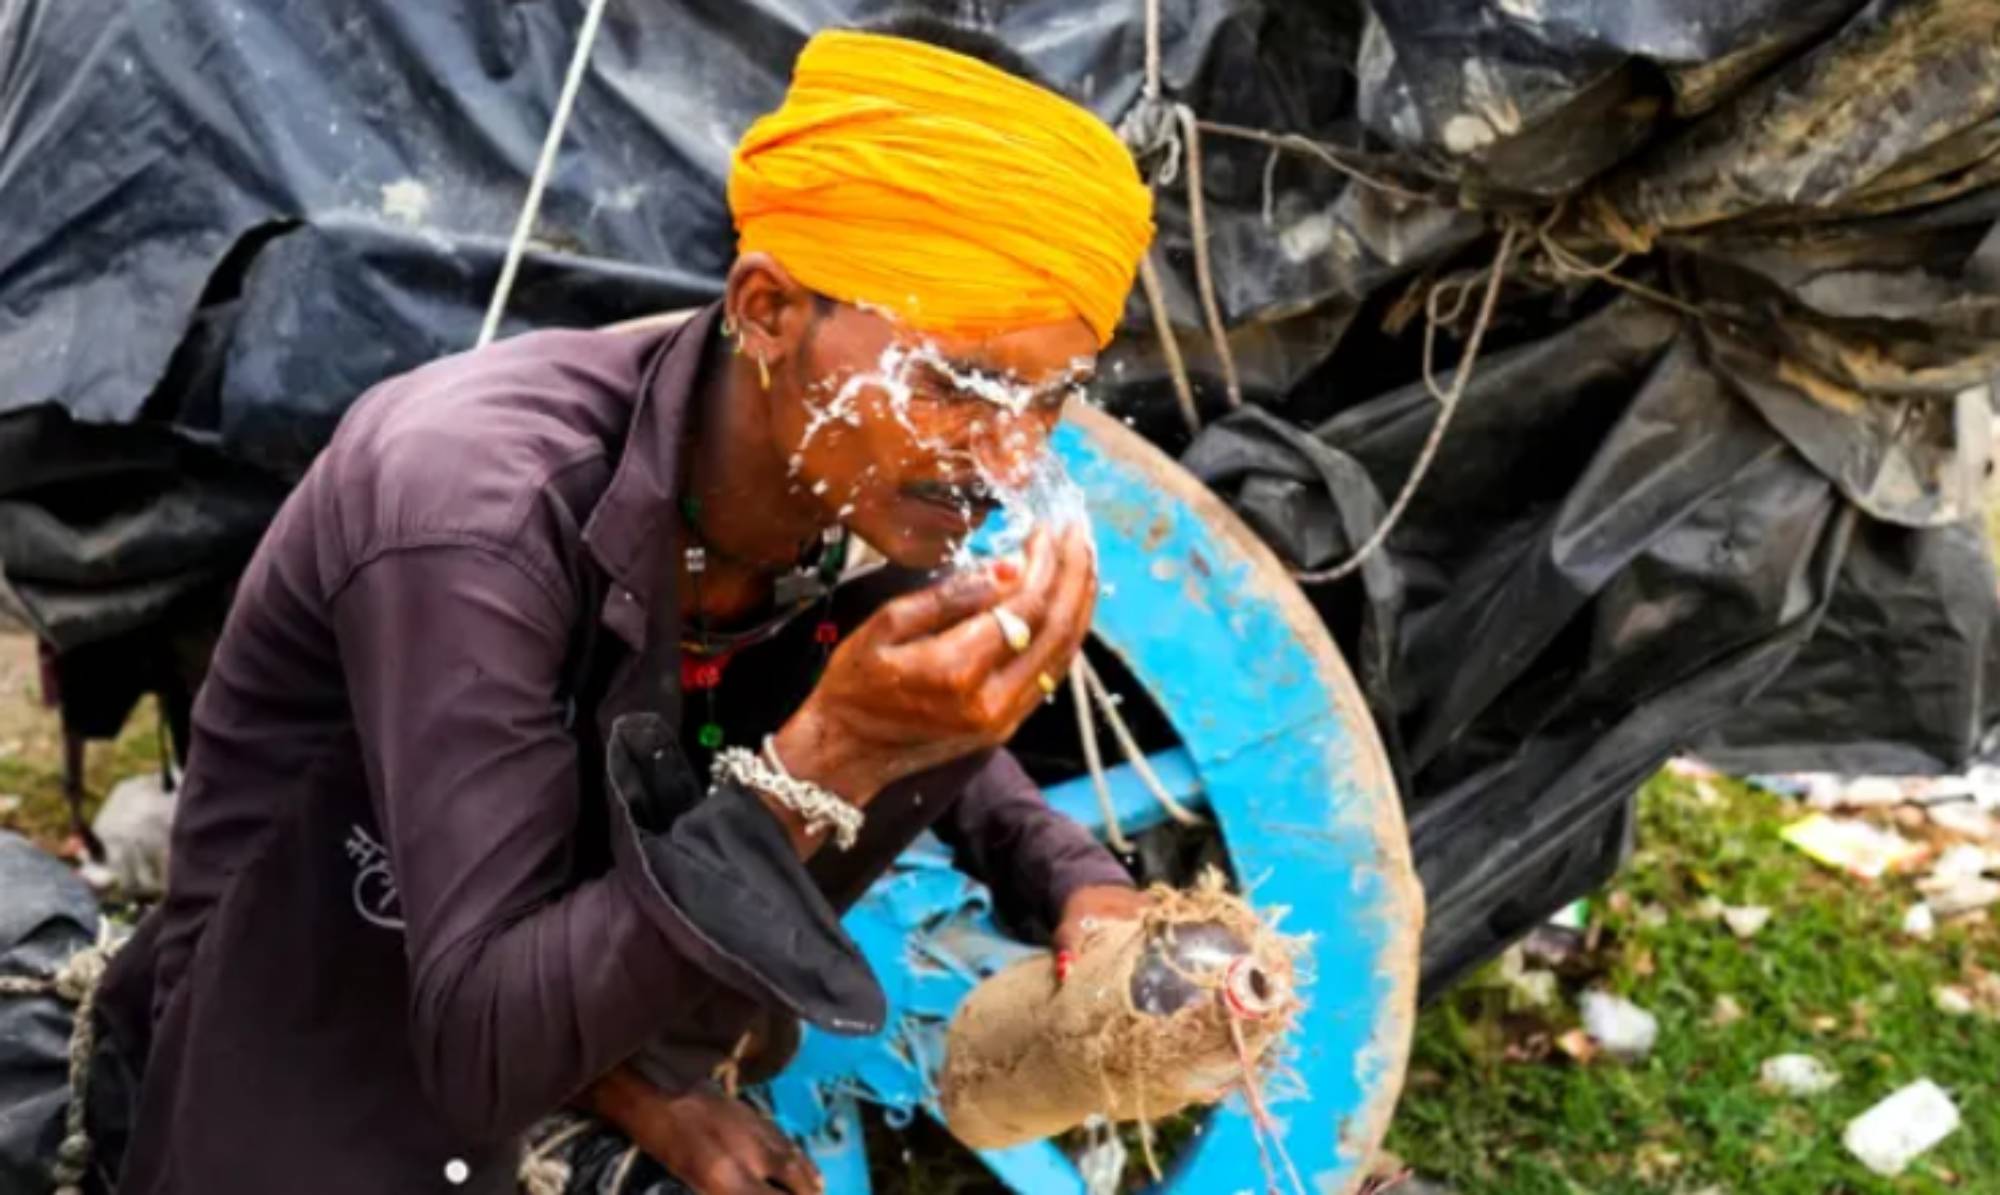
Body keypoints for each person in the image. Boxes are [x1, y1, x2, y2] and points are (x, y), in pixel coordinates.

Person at [90, 14, 1157, 1195]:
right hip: (325, 1045)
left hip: (576, 1008)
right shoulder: (470, 509)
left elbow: (882, 690)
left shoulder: (820, 466)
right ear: (765, 310)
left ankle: (627, 1077)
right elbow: (481, 1049)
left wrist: (1074, 877)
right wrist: (834, 749)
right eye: (962, 383)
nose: (1008, 452)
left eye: (1052, 399)